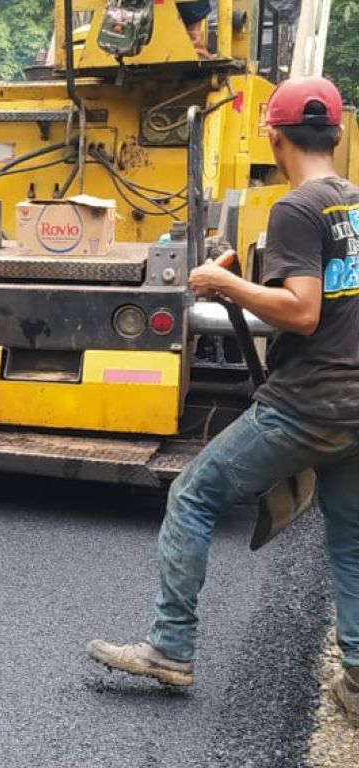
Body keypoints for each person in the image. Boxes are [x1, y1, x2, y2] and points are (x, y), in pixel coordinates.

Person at [85, 76, 359, 727]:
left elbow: (301, 310)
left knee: (192, 495)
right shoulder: (351, 202)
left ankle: (169, 648)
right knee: (349, 537)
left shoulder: (296, 208)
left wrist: (224, 282)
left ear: (272, 134)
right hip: (355, 404)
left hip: (308, 405)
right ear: (339, 133)